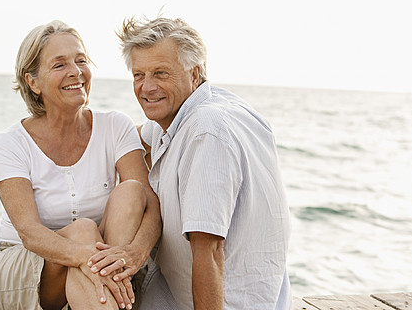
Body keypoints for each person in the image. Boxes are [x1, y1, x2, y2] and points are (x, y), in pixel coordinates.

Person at [0, 20, 161, 310]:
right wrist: (90, 257)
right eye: (59, 65)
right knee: (82, 229)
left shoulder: (115, 126)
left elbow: (150, 203)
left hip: (96, 258)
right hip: (21, 263)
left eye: (81, 60)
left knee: (131, 191)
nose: (76, 71)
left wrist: (135, 253)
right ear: (33, 82)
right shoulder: (9, 143)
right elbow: (29, 232)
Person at [116, 16, 292, 310]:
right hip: (204, 290)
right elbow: (135, 138)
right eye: (138, 75)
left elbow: (209, 251)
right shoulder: (190, 110)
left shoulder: (206, 131)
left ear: (194, 73)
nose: (146, 88)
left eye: (160, 73)